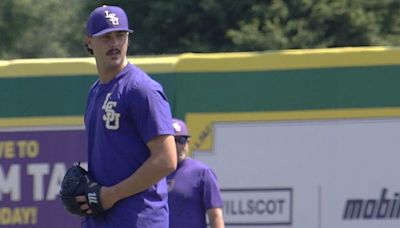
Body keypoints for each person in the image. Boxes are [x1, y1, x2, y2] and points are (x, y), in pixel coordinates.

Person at [77, 5, 177, 227]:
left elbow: (166, 159)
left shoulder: (142, 89)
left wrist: (111, 194)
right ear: (89, 42)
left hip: (139, 219)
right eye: (106, 37)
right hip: (104, 219)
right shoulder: (95, 91)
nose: (115, 44)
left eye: (120, 35)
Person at [167, 118, 225, 228]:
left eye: (182, 140)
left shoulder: (202, 172)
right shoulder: (155, 173)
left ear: (188, 142)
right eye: (173, 141)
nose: (178, 146)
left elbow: (215, 215)